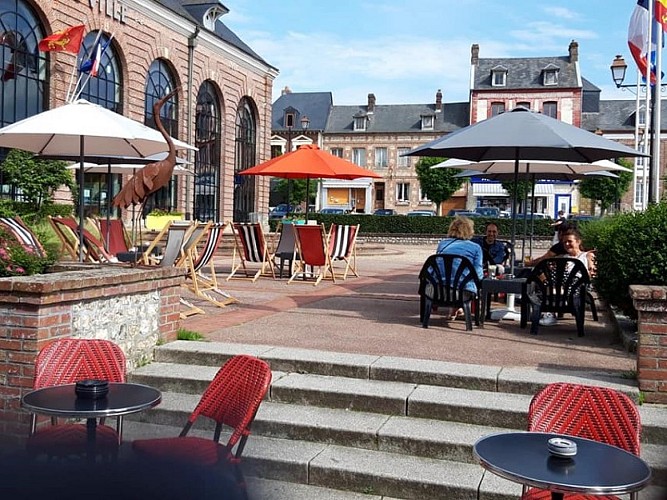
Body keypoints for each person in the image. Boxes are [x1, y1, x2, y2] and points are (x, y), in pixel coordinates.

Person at [436, 216, 484, 319]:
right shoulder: (475, 247)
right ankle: (460, 308)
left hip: (439, 291)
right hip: (463, 293)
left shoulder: (442, 244)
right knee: (467, 283)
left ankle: (455, 308)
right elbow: (478, 274)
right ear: (469, 230)